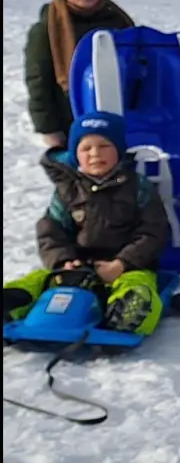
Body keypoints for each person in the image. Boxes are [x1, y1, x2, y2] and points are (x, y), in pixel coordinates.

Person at [3, 112, 168, 335]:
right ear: (75, 154)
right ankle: (9, 304)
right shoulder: (68, 191)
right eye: (86, 148)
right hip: (79, 266)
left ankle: (128, 315)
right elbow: (52, 230)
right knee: (39, 280)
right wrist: (64, 261)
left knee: (137, 286)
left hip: (127, 267)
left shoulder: (137, 187)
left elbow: (153, 231)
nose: (95, 154)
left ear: (118, 149)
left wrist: (122, 263)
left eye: (104, 146)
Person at [26, 0, 134, 150]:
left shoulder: (118, 22)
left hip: (118, 118)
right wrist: (48, 127)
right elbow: (38, 80)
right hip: (71, 121)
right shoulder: (47, 29)